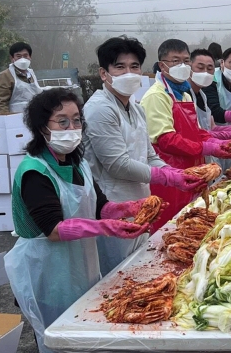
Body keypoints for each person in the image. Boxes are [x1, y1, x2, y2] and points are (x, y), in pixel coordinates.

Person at [5, 89, 150, 353]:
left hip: (81, 261)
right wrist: (107, 228)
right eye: (62, 121)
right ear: (41, 127)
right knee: (60, 336)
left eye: (77, 120)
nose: (72, 127)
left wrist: (129, 207)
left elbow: (99, 207)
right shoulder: (34, 171)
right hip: (48, 269)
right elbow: (53, 230)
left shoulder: (78, 163)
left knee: (86, 327)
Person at [83, 36, 205, 275]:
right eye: (120, 67)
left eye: (134, 66)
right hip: (113, 203)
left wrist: (176, 173)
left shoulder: (136, 108)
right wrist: (168, 178)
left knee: (140, 267)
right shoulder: (100, 109)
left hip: (141, 200)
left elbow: (148, 154)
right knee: (117, 274)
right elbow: (118, 165)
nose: (129, 73)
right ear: (103, 73)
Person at [140, 40, 231, 230]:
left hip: (192, 168)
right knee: (169, 228)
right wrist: (207, 147)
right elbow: (165, 140)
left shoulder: (184, 94)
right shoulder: (157, 95)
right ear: (162, 65)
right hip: (170, 171)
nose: (181, 66)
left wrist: (219, 142)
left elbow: (196, 131)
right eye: (175, 61)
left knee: (192, 223)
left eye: (185, 61)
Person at [0, 41, 42, 114]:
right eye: (18, 56)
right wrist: (7, 118)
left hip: (34, 116)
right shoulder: (6, 75)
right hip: (16, 117)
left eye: (25, 56)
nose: (22, 60)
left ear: (30, 56)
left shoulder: (31, 73)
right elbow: (1, 102)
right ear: (12, 58)